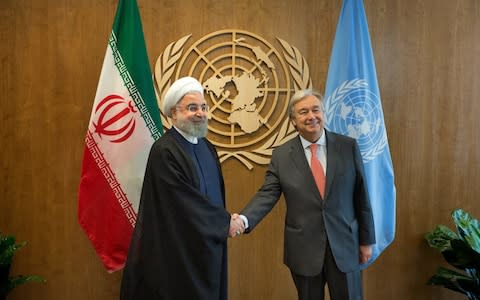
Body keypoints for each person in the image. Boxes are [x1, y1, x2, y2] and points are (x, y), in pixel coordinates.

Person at [232, 89, 375, 300]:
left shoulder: (348, 147)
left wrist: (366, 240)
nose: (311, 116)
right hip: (304, 250)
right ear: (293, 121)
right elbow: (267, 194)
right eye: (303, 112)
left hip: (345, 246)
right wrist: (244, 219)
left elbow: (361, 196)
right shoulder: (281, 156)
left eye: (316, 110)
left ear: (324, 113)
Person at [120, 77, 244, 300]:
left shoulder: (208, 147)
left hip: (209, 248)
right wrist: (225, 222)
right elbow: (183, 203)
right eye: (191, 108)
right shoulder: (165, 151)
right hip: (179, 252)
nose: (200, 113)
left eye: (203, 107)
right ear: (173, 114)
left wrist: (222, 222)